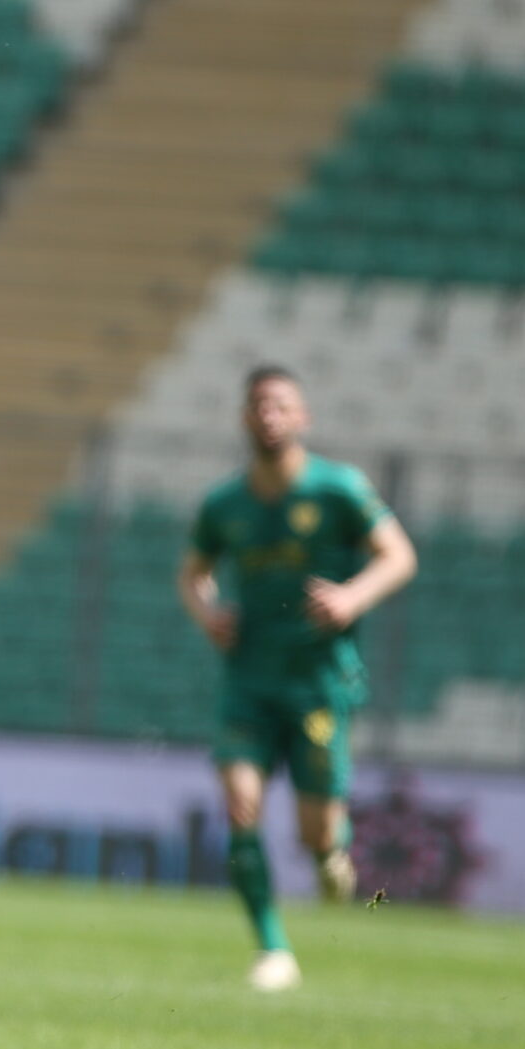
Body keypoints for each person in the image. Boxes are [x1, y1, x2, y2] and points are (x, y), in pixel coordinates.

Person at [178, 366, 418, 992]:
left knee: (315, 831)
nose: (269, 415)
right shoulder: (224, 504)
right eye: (258, 405)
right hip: (249, 682)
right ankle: (272, 948)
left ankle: (328, 852)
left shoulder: (338, 489)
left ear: (302, 418)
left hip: (318, 683)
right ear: (243, 418)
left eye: (281, 405)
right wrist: (208, 613)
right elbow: (192, 573)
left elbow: (399, 555)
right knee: (240, 802)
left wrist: (351, 598)